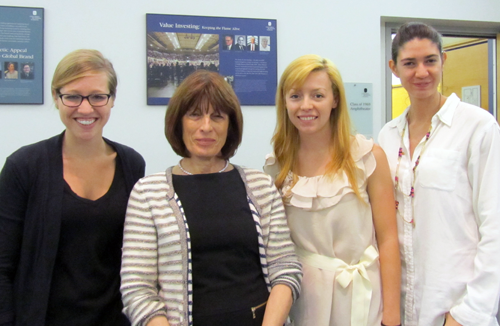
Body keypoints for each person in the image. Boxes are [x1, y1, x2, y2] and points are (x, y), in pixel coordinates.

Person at [120, 70, 302, 326]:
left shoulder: (260, 186)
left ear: (230, 125)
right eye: (195, 114)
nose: (206, 127)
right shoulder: (148, 194)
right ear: (178, 122)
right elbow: (137, 289)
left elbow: (285, 269)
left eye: (217, 116)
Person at [0, 49, 145, 325]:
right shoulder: (24, 166)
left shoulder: (132, 164)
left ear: (112, 100)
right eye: (73, 96)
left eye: (98, 96)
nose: (86, 108)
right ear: (57, 98)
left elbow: (136, 256)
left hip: (114, 319)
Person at [378, 22, 500, 326]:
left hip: (456, 308)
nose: (422, 72)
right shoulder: (387, 136)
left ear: (443, 61)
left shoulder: (478, 127)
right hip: (401, 308)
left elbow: (495, 226)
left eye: (430, 60)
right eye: (410, 63)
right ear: (394, 68)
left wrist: (470, 312)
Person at [264, 54, 400, 326]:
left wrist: (392, 319)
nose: (306, 106)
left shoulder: (367, 157)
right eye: (295, 96)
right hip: (305, 301)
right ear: (285, 102)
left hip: (362, 297)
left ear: (335, 100)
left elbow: (388, 240)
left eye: (317, 95)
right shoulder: (276, 166)